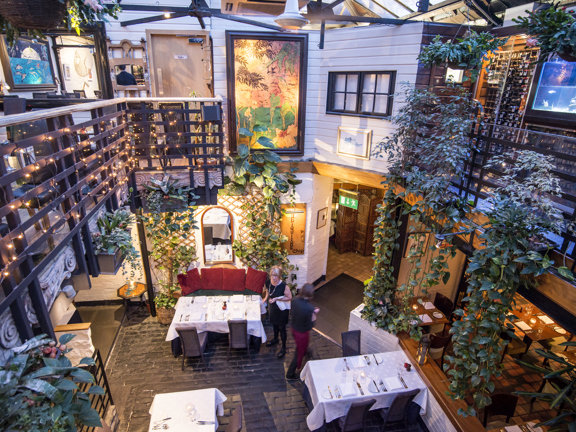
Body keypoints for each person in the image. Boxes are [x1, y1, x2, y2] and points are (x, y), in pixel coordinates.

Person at [286, 283, 319, 380]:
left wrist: (312, 310)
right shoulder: (308, 308)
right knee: (298, 352)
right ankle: (290, 373)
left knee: (301, 347)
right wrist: (313, 316)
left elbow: (292, 313)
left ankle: (306, 351)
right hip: (302, 333)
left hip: (294, 328)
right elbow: (310, 325)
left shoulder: (295, 300)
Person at [263, 265, 292, 358]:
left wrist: (277, 299)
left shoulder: (283, 286)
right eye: (272, 275)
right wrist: (265, 299)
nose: (274, 278)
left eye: (276, 276)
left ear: (279, 276)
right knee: (274, 325)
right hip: (273, 308)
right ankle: (275, 339)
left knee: (282, 328)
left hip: (282, 310)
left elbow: (289, 297)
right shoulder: (268, 282)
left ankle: (283, 347)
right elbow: (268, 292)